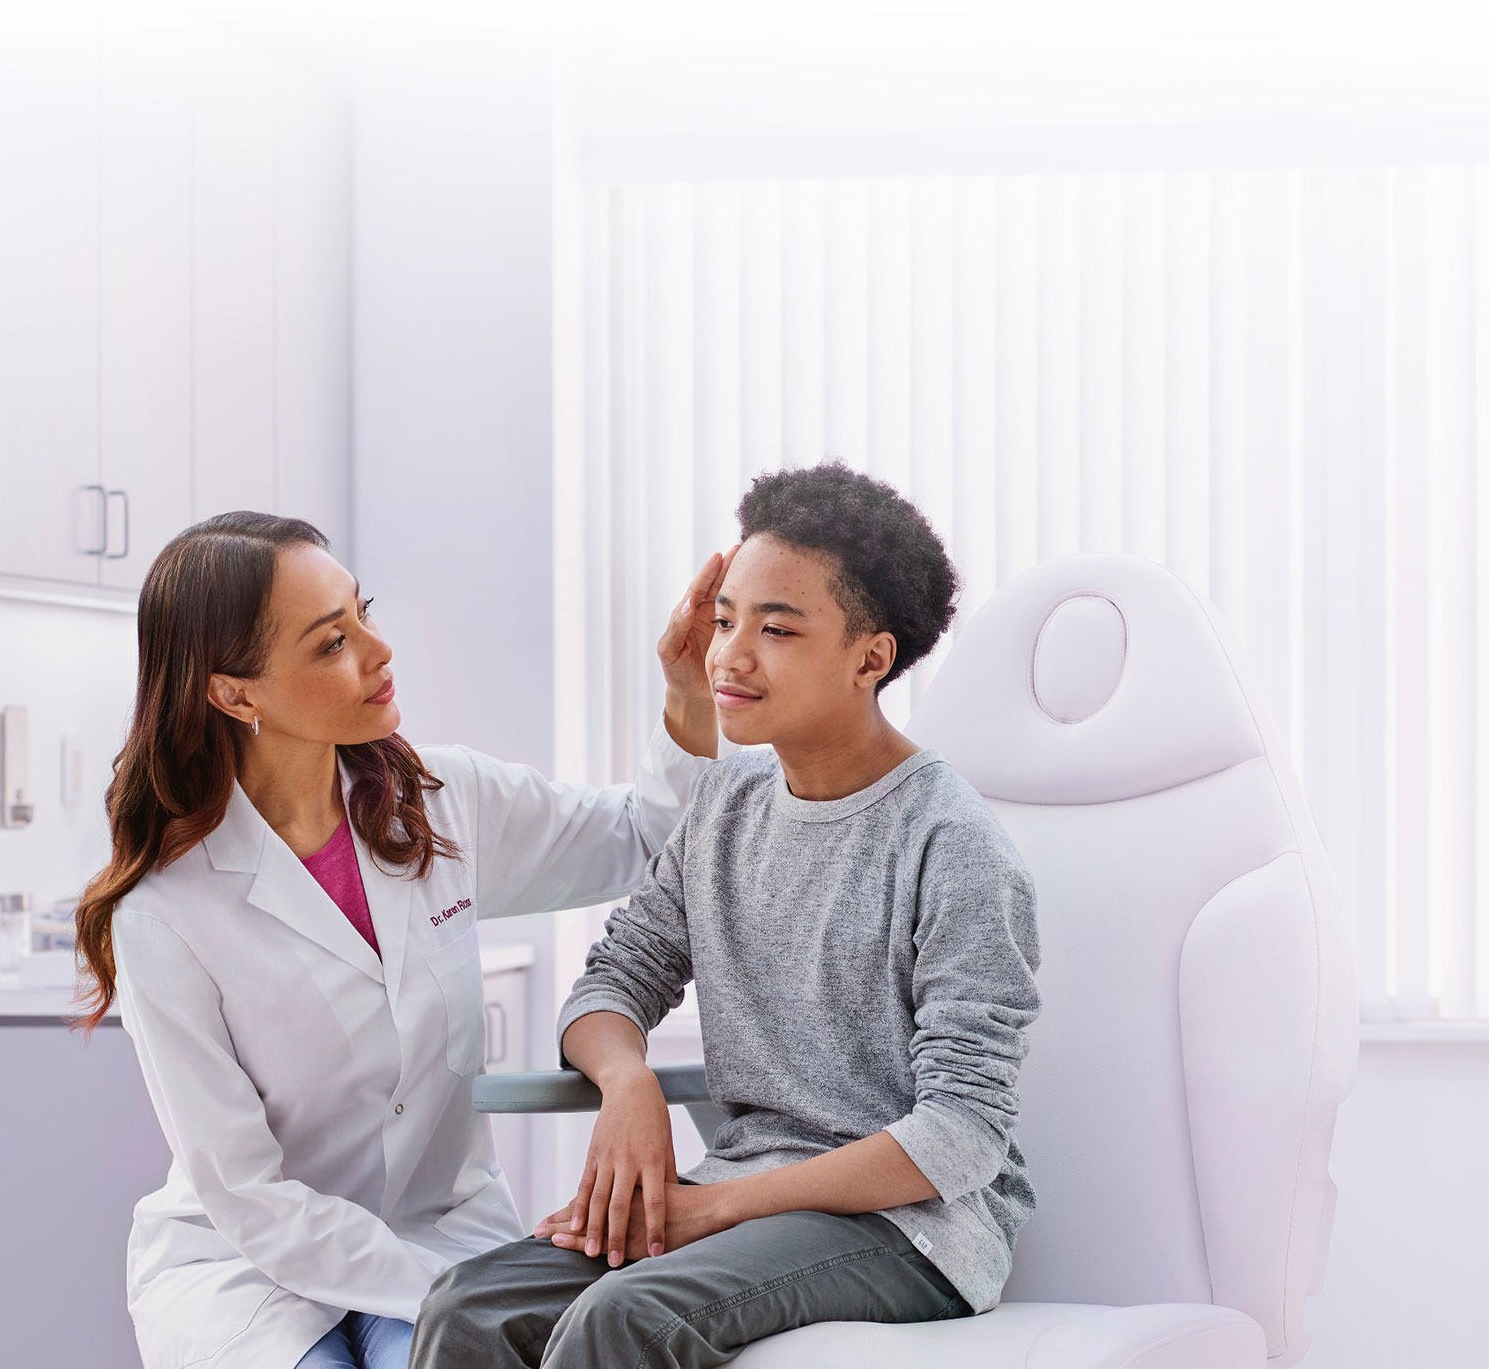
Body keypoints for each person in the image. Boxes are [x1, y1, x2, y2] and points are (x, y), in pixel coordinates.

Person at [412, 462, 1042, 1369]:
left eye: (776, 628)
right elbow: (611, 981)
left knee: (625, 1317)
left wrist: (715, 1203)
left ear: (872, 656)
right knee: (470, 1304)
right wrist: (628, 1086)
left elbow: (961, 1133)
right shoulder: (726, 803)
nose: (729, 656)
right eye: (724, 618)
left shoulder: (951, 843)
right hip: (748, 1190)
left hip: (912, 1229)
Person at [72, 511, 729, 1369]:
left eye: (363, 612)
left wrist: (687, 694)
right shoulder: (166, 911)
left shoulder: (439, 800)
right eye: (330, 642)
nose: (379, 652)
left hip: (440, 1228)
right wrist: (447, 1292)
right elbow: (251, 1197)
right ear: (236, 692)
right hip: (248, 1268)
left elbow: (643, 839)